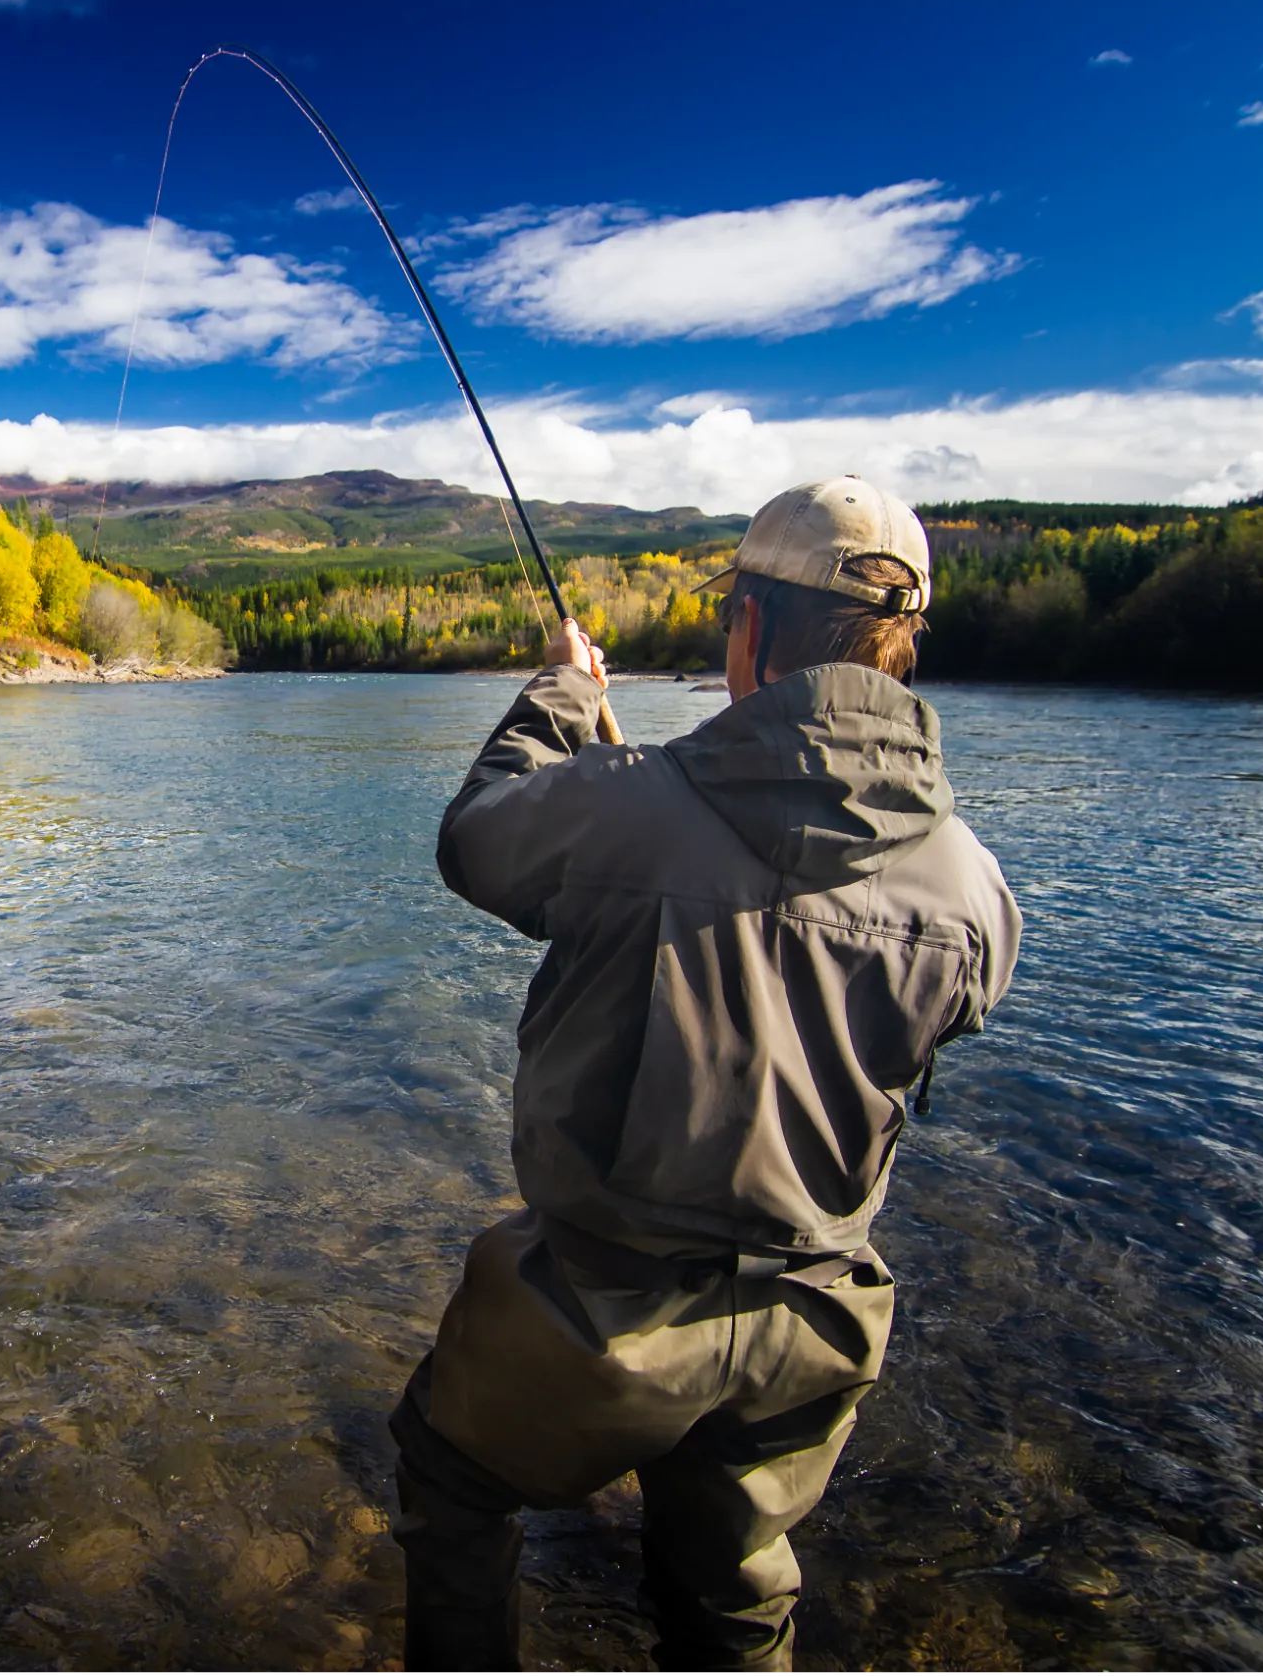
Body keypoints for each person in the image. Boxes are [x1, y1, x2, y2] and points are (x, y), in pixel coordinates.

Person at [389, 474, 1022, 1675]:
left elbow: (477, 837)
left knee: (452, 1475)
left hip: (600, 1310)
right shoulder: (976, 888)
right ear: (902, 650)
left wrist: (566, 694)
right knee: (733, 1600)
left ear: (755, 630)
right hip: (818, 1318)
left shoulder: (625, 806)